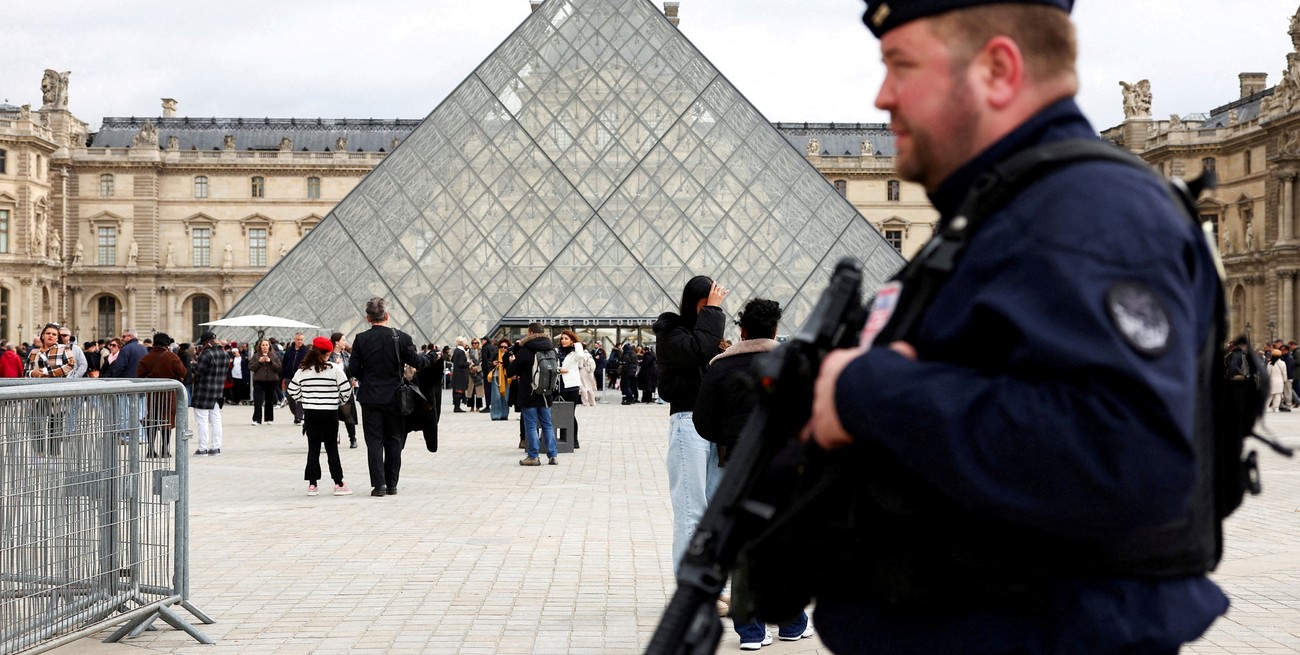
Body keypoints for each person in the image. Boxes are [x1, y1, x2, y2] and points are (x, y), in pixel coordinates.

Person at [800, 2, 1228, 652]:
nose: (882, 93)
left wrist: (871, 391)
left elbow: (1127, 454)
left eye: (901, 65)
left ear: (999, 69)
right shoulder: (1010, 211)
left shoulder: (1093, 215)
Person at [693, 298, 813, 649]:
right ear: (776, 330)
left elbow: (703, 421)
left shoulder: (719, 368)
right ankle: (792, 623)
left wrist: (728, 439)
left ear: (741, 331)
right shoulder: (792, 363)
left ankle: (751, 632)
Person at [652, 275, 728, 571]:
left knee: (712, 510)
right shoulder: (671, 332)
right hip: (688, 423)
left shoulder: (706, 331)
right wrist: (714, 312)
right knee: (691, 508)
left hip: (714, 427)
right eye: (705, 307)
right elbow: (698, 350)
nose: (710, 310)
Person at [346, 297, 431, 497]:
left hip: (370, 398)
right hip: (395, 397)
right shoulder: (401, 337)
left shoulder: (361, 339)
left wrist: (369, 378)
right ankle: (392, 484)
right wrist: (432, 357)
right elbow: (417, 362)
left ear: (367, 318)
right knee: (394, 439)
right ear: (386, 315)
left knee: (374, 442)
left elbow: (354, 369)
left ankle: (379, 485)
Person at [288, 337, 354, 496]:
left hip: (311, 413)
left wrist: (305, 400)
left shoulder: (303, 369)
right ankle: (338, 483)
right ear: (328, 352)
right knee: (332, 449)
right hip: (329, 412)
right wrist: (337, 401)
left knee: (313, 448)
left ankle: (312, 484)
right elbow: (346, 391)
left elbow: (292, 390)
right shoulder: (334, 368)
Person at [507, 322, 559, 466]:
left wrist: (512, 361)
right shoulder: (551, 349)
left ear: (530, 333)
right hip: (546, 392)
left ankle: (533, 456)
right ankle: (553, 455)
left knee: (531, 426)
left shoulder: (526, 350)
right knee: (547, 425)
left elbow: (511, 371)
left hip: (528, 393)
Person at [136, 332, 187, 458]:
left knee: (152, 420)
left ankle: (151, 449)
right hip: (168, 393)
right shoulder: (171, 357)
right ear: (167, 343)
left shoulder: (147, 357)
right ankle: (165, 448)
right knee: (167, 421)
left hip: (152, 393)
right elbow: (183, 371)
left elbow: (139, 374)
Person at [191, 331, 230, 456]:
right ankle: (216, 447)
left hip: (204, 392)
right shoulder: (225, 354)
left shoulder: (206, 354)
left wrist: (192, 365)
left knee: (202, 421)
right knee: (216, 421)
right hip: (218, 392)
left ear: (206, 342)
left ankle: (203, 448)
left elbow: (198, 371)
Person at [556, 329, 587, 449]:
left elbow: (581, 357)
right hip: (558, 386)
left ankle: (573, 440)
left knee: (569, 414)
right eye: (562, 338)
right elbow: (553, 365)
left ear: (572, 341)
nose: (563, 341)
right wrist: (558, 370)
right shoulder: (556, 351)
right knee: (557, 413)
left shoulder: (575, 353)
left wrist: (577, 344)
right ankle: (561, 439)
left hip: (571, 386)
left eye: (566, 339)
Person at [329, 332, 359, 448]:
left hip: (344, 389)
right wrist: (333, 364)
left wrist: (353, 378)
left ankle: (353, 438)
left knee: (347, 415)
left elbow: (351, 371)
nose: (345, 342)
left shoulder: (346, 356)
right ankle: (334, 437)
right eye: (343, 340)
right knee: (332, 415)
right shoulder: (329, 356)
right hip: (332, 389)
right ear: (336, 342)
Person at [249, 339, 281, 425]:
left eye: (266, 345)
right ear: (260, 346)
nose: (265, 347)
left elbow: (278, 368)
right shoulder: (256, 356)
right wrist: (259, 362)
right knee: (258, 400)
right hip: (259, 380)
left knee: (269, 400)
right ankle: (257, 419)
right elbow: (251, 367)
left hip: (271, 380)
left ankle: (269, 418)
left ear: (269, 346)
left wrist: (270, 362)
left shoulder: (274, 356)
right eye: (263, 345)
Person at [280, 333, 308, 424]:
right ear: (294, 340)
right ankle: (297, 414)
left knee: (300, 397)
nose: (300, 341)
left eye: (301, 340)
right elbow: (284, 364)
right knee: (290, 397)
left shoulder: (306, 351)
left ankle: (298, 417)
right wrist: (283, 378)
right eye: (298, 339)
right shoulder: (288, 350)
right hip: (289, 377)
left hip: (301, 377)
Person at [488, 337, 513, 420]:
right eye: (501, 347)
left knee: (505, 396)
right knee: (496, 396)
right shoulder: (495, 353)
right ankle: (495, 415)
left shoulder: (510, 354)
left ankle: (504, 414)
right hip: (496, 376)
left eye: (505, 347)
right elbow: (488, 362)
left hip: (506, 377)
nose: (503, 349)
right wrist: (493, 363)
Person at [451, 337, 470, 412]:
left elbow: (452, 360)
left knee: (456, 390)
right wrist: (468, 363)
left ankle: (456, 406)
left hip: (456, 373)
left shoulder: (456, 350)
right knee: (459, 390)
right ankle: (457, 407)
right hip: (461, 374)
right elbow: (461, 363)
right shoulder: (461, 352)